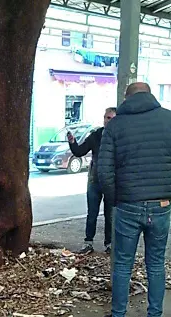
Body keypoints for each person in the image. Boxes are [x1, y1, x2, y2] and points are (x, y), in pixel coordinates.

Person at [98, 83, 171, 317]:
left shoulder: (115, 125)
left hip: (127, 204)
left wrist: (115, 200)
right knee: (156, 264)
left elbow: (104, 170)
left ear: (126, 98)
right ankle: (155, 314)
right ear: (150, 95)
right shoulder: (168, 120)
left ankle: (119, 314)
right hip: (161, 205)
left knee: (122, 265)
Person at [67, 108, 116, 254]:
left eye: (112, 118)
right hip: (95, 181)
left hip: (112, 182)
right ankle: (88, 243)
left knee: (110, 215)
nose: (109, 121)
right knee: (92, 213)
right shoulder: (96, 135)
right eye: (107, 117)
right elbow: (79, 151)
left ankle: (109, 244)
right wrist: (73, 142)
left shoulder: (121, 136)